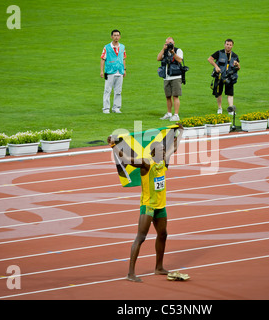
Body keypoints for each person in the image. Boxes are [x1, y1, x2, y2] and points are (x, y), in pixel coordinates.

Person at [107, 124, 184, 282]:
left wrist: (180, 131)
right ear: (153, 153)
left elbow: (174, 147)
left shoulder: (162, 162)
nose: (164, 153)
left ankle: (159, 267)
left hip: (161, 206)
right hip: (148, 206)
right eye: (161, 152)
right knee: (141, 237)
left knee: (163, 234)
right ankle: (130, 273)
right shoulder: (146, 164)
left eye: (164, 152)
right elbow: (127, 159)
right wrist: (114, 146)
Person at [208, 39, 240, 114]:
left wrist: (237, 65)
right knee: (218, 93)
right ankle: (219, 108)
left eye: (230, 45)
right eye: (227, 44)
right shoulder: (219, 53)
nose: (228, 46)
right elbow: (210, 59)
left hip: (230, 77)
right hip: (219, 76)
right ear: (224, 45)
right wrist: (216, 66)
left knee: (230, 93)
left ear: (232, 46)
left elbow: (238, 68)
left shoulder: (235, 56)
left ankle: (231, 109)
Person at [157, 37, 184, 122]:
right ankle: (169, 114)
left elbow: (180, 60)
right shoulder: (164, 51)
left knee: (175, 96)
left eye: (170, 43)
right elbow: (158, 58)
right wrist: (163, 49)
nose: (169, 45)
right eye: (167, 43)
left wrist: (173, 53)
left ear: (174, 43)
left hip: (176, 76)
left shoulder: (178, 50)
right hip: (166, 76)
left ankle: (176, 115)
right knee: (168, 96)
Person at [100, 29, 126, 114]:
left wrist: (124, 69)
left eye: (118, 35)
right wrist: (101, 71)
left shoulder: (122, 47)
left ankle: (116, 108)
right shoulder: (107, 47)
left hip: (120, 71)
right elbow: (103, 59)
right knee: (107, 90)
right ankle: (106, 108)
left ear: (120, 36)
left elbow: (123, 59)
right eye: (114, 35)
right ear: (111, 37)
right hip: (110, 71)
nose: (116, 37)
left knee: (118, 91)